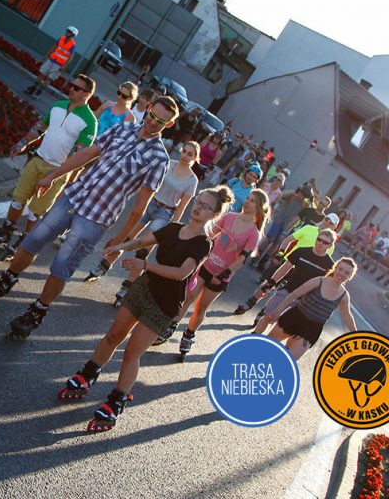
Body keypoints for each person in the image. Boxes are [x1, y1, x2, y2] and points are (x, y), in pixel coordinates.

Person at [0, 97, 179, 340]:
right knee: (32, 240)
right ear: (147, 111)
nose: (153, 123)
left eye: (160, 121)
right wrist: (54, 176)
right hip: (73, 196)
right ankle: (5, 281)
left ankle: (37, 311)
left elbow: (140, 206)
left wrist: (121, 242)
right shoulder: (123, 128)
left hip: (97, 216)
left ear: (168, 125)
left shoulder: (159, 158)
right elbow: (89, 153)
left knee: (62, 265)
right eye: (152, 116)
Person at [56, 187, 231, 432]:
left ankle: (116, 401)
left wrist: (145, 264)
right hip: (144, 289)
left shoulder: (203, 243)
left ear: (214, 214)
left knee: (131, 352)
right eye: (198, 202)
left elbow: (182, 273)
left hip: (165, 304)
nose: (198, 207)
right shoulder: (172, 228)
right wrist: (121, 246)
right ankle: (87, 375)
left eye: (206, 206)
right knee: (113, 336)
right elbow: (143, 240)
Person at [0, 74, 98, 253]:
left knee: (35, 211)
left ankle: (24, 241)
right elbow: (40, 127)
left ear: (87, 94)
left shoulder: (90, 121)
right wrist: (22, 143)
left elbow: (80, 154)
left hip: (56, 172)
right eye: (72, 85)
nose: (71, 88)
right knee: (18, 200)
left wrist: (62, 176)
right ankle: (6, 231)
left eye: (76, 88)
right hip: (37, 160)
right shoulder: (57, 106)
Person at [156, 188, 269, 357]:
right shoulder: (229, 218)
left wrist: (224, 273)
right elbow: (209, 234)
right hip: (205, 265)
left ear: (259, 208)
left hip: (221, 275)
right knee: (188, 297)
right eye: (248, 198)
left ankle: (188, 335)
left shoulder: (253, 233)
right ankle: (170, 327)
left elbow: (243, 259)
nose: (247, 201)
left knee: (201, 307)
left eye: (252, 201)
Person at [85, 140, 199, 294]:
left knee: (144, 249)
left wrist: (174, 228)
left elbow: (182, 207)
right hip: (150, 203)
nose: (185, 155)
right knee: (128, 238)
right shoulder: (168, 164)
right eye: (184, 151)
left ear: (195, 158)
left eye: (190, 154)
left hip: (165, 212)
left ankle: (127, 286)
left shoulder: (192, 180)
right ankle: (104, 265)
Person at [255, 258, 359, 360]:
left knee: (288, 360)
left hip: (312, 329)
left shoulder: (344, 296)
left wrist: (356, 335)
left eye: (346, 272)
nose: (342, 274)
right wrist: (278, 311)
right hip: (295, 317)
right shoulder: (318, 281)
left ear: (349, 277)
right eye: (340, 269)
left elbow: (347, 316)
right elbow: (293, 295)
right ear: (335, 268)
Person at [234, 228, 337, 325]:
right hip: (291, 261)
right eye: (319, 239)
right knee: (268, 283)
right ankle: (251, 302)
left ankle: (263, 313)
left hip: (303, 275)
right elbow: (288, 239)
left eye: (332, 223)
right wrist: (281, 253)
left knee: (279, 297)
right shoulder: (309, 228)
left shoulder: (329, 252)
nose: (321, 243)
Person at [24, 25, 77, 96]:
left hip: (59, 64)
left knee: (49, 78)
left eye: (69, 32)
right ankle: (33, 87)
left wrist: (64, 66)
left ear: (73, 35)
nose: (67, 33)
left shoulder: (72, 45)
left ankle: (39, 92)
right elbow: (54, 47)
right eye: (67, 31)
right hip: (51, 59)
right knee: (42, 74)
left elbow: (70, 57)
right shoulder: (61, 38)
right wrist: (47, 55)